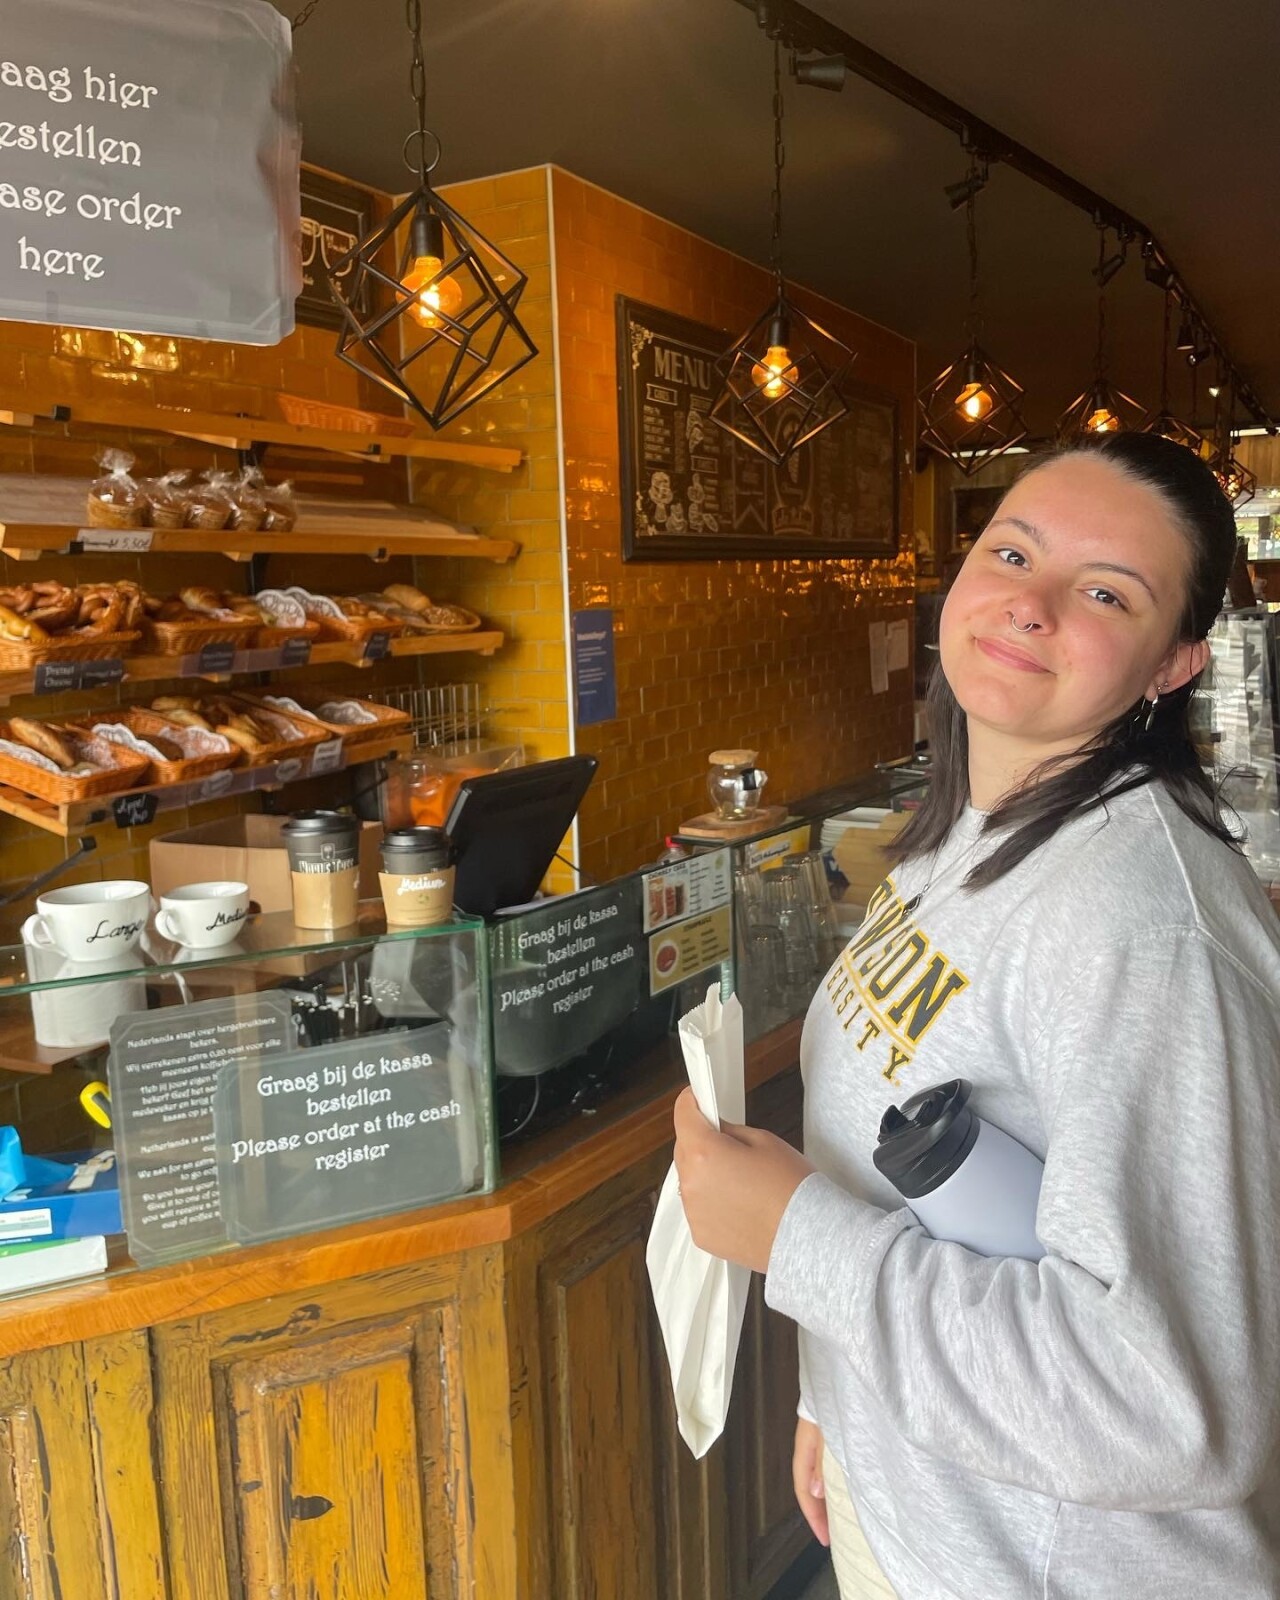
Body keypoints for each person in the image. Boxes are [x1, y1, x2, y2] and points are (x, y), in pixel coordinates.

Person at [673, 432, 1280, 1599]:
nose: (1031, 603)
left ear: (1171, 664)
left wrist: (794, 1240)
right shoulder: (967, 831)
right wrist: (832, 1403)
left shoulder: (1145, 932)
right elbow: (885, 1174)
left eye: (1106, 592)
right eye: (1012, 552)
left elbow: (1174, 1409)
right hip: (927, 1516)